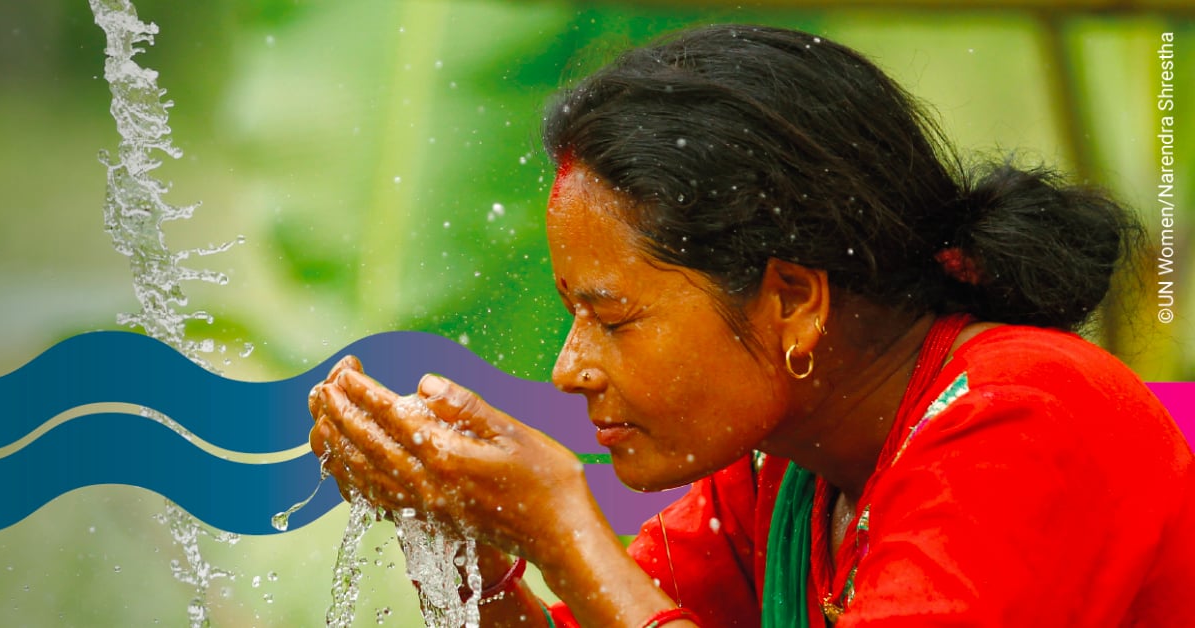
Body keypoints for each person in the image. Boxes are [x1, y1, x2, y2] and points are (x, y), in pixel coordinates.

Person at [308, 24, 1193, 627]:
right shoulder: (782, 481)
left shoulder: (1026, 413)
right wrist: (462, 546)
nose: (571, 367)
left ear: (794, 302)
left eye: (612, 319)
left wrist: (561, 525)